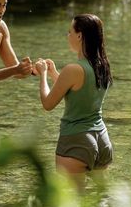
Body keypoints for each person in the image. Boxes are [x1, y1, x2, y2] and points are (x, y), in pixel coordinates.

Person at [35, 14, 113, 190]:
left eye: (69, 31)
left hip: (76, 141)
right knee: (100, 199)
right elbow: (78, 91)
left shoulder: (73, 69)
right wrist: (56, 73)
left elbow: (48, 103)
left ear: (79, 35)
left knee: (71, 203)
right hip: (101, 140)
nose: (67, 36)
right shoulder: (102, 66)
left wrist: (43, 75)